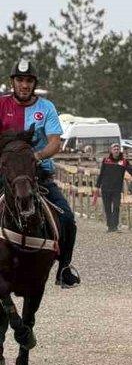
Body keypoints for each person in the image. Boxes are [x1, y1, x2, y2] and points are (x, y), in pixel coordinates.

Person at [0, 59, 80, 288]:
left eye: (28, 81)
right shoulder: (1, 105)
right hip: (6, 175)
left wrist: (35, 157)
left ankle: (64, 268)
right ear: (12, 82)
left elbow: (55, 143)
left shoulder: (46, 108)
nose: (24, 85)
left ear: (34, 84)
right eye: (20, 80)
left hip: (38, 174)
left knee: (67, 219)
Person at [94, 143, 132, 232]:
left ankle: (115, 226)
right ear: (111, 150)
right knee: (107, 208)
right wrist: (97, 186)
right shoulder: (106, 160)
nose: (116, 150)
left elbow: (131, 169)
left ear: (119, 151)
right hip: (106, 188)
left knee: (116, 207)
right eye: (114, 149)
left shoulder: (124, 161)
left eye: (117, 149)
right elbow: (101, 174)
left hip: (117, 188)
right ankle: (110, 226)